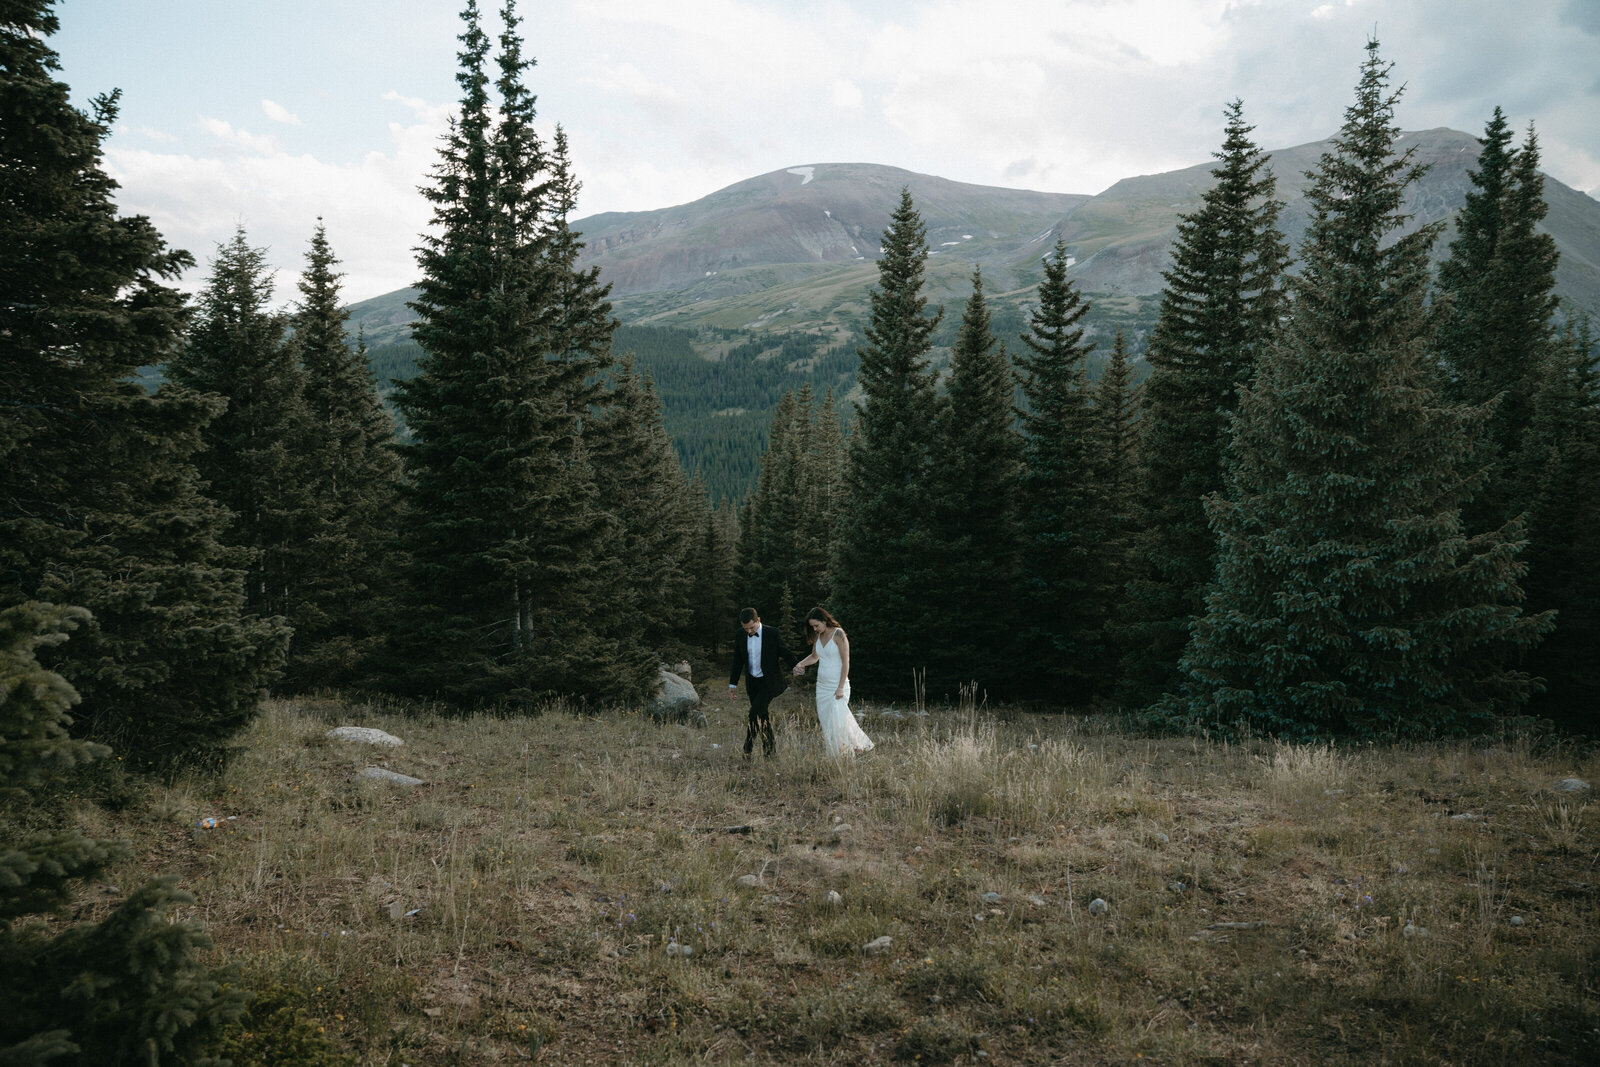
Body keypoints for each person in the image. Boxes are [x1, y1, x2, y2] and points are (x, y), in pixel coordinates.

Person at [791, 606, 874, 756]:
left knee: (838, 719)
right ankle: (847, 751)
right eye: (812, 627)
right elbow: (815, 657)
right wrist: (800, 664)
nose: (815, 629)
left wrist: (841, 687)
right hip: (822, 687)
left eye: (817, 625)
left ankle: (849, 752)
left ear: (824, 620)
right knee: (828, 723)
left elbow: (846, 661)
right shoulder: (818, 636)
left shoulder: (839, 634)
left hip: (838, 685)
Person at [726, 607, 797, 759]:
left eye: (752, 627)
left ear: (758, 620)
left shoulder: (772, 633)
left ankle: (747, 750)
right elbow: (737, 661)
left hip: (769, 682)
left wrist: (796, 666)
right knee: (762, 716)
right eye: (746, 629)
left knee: (753, 714)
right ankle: (770, 753)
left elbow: (784, 651)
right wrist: (733, 684)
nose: (749, 631)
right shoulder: (740, 635)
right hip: (753, 682)